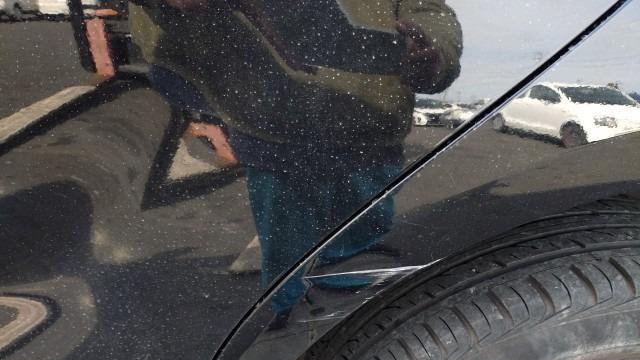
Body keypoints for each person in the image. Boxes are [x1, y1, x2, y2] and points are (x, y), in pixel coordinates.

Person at [130, 0, 463, 312]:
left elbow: (429, 10)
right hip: (272, 125)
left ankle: (346, 323)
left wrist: (435, 51)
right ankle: (287, 322)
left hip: (370, 129)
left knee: (357, 262)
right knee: (289, 268)